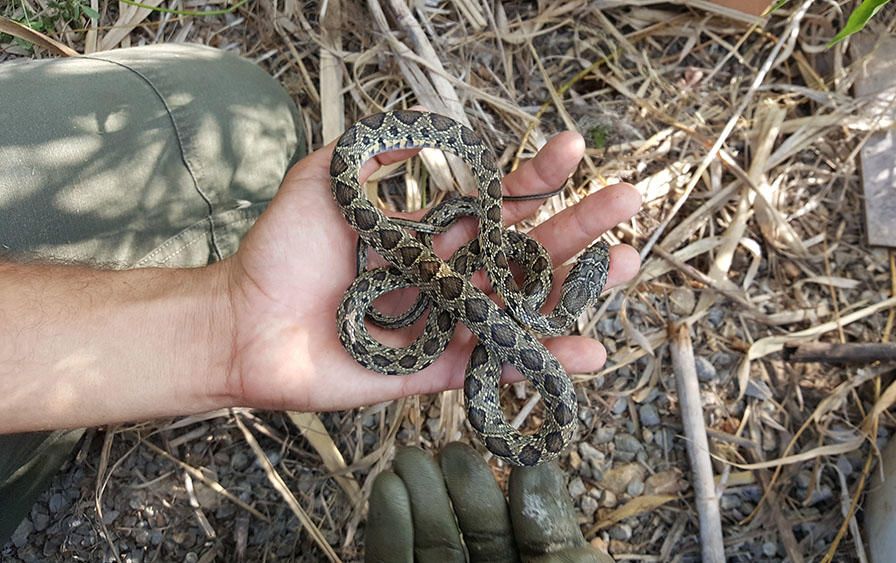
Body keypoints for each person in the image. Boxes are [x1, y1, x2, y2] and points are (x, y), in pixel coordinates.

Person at [0, 44, 642, 556]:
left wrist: (226, 319)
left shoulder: (494, 296)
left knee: (230, 97)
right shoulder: (501, 296)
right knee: (232, 98)